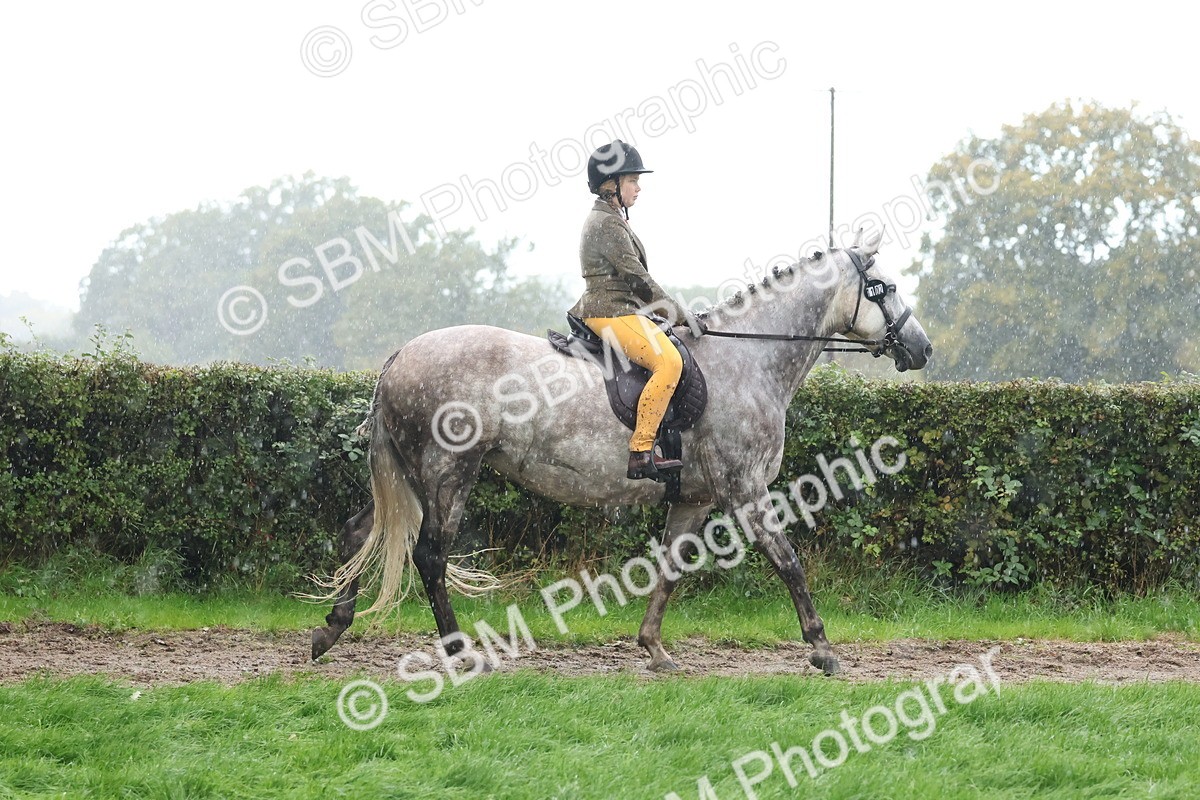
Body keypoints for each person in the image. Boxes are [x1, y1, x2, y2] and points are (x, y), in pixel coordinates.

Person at [568, 140, 703, 482]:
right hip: (609, 311)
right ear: (610, 185)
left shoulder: (612, 218)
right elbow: (638, 279)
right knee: (669, 363)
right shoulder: (606, 224)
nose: (638, 188)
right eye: (632, 180)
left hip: (623, 310)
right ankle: (641, 451)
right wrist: (677, 313)